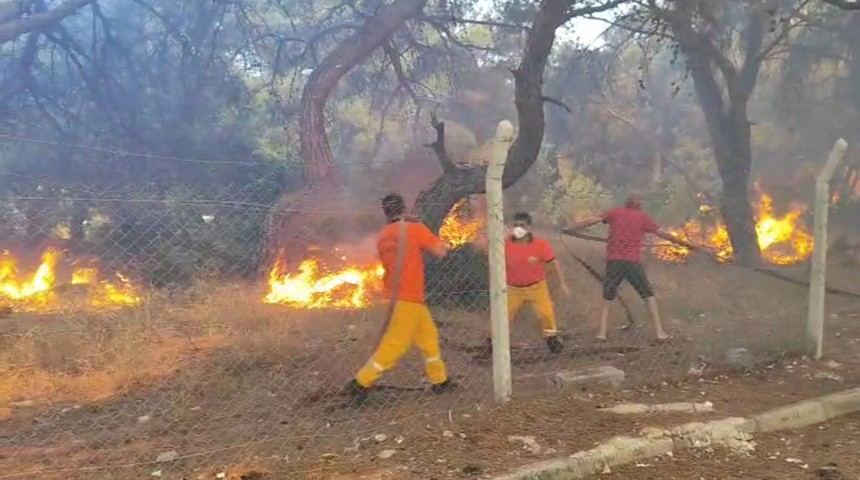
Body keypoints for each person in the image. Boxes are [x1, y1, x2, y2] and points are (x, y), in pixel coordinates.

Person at [344, 193, 454, 405]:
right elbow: (441, 252)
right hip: (409, 297)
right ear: (404, 209)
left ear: (386, 213)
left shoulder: (383, 235)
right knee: (394, 345)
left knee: (429, 338)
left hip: (397, 296)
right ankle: (360, 382)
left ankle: (440, 381)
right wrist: (424, 229)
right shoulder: (414, 229)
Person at [562, 193, 684, 342]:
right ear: (639, 204)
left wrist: (569, 228)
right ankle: (660, 332)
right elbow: (664, 234)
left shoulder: (615, 213)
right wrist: (685, 244)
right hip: (632, 263)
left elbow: (592, 220)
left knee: (607, 297)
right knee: (648, 296)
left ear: (626, 203)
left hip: (615, 262)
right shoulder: (642, 217)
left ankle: (601, 334)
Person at [475, 211, 570, 354]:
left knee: (546, 314)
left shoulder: (540, 245)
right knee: (502, 316)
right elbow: (488, 253)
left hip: (536, 286)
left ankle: (552, 340)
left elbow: (553, 263)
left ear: (530, 228)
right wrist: (482, 243)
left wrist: (562, 284)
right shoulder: (504, 244)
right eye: (515, 225)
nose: (518, 228)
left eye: (522, 225)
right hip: (512, 288)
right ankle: (493, 343)